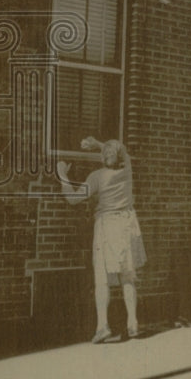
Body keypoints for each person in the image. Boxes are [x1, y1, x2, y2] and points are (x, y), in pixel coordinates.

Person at [58, 137, 147, 343]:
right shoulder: (127, 172)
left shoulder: (97, 177)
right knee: (128, 276)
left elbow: (73, 199)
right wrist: (101, 144)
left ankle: (102, 326)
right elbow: (123, 151)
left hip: (107, 227)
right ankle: (132, 324)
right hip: (127, 225)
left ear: (102, 158)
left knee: (102, 278)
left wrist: (63, 174)